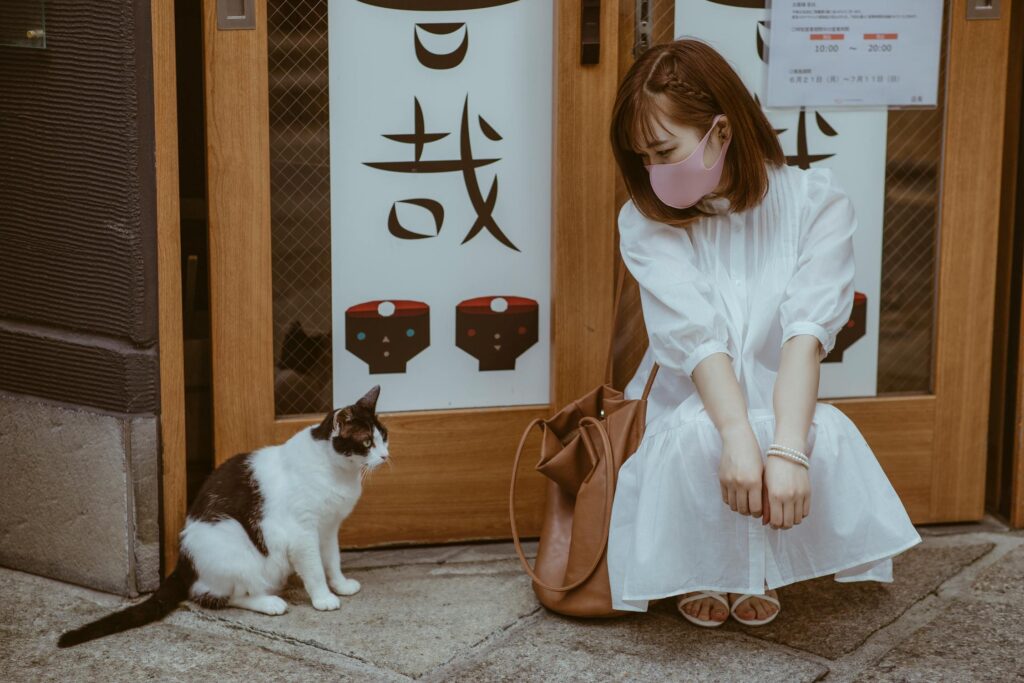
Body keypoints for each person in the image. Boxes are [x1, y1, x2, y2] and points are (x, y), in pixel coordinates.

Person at [605, 39, 922, 628]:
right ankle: (716, 563)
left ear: (720, 134)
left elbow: (807, 335)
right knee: (703, 432)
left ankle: (755, 563)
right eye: (642, 158)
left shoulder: (814, 203)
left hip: (783, 396)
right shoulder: (645, 219)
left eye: (664, 152)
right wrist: (735, 435)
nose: (652, 172)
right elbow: (696, 342)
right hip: (691, 396)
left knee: (796, 429)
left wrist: (787, 449)